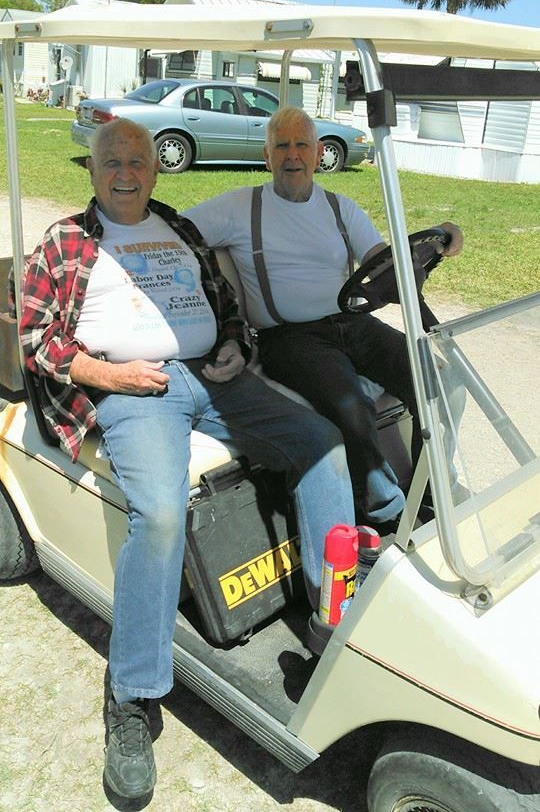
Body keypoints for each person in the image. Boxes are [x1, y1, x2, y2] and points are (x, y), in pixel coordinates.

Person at [19, 118, 355, 799]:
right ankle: (133, 695)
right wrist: (108, 376)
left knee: (323, 444)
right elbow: (33, 338)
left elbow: (225, 305)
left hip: (215, 375)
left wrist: (232, 342)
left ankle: (330, 619)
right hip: (133, 393)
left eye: (137, 161)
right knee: (164, 515)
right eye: (112, 160)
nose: (125, 172)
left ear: (155, 169)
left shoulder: (179, 228)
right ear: (92, 169)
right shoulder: (65, 242)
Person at [184, 106, 464, 526]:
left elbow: (380, 261)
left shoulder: (340, 208)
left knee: (436, 379)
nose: (292, 155)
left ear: (318, 154)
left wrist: (437, 240)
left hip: (350, 322)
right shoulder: (240, 207)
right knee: (351, 408)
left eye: (302, 145)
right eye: (282, 146)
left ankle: (429, 488)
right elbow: (177, 230)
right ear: (267, 156)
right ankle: (387, 514)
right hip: (289, 337)